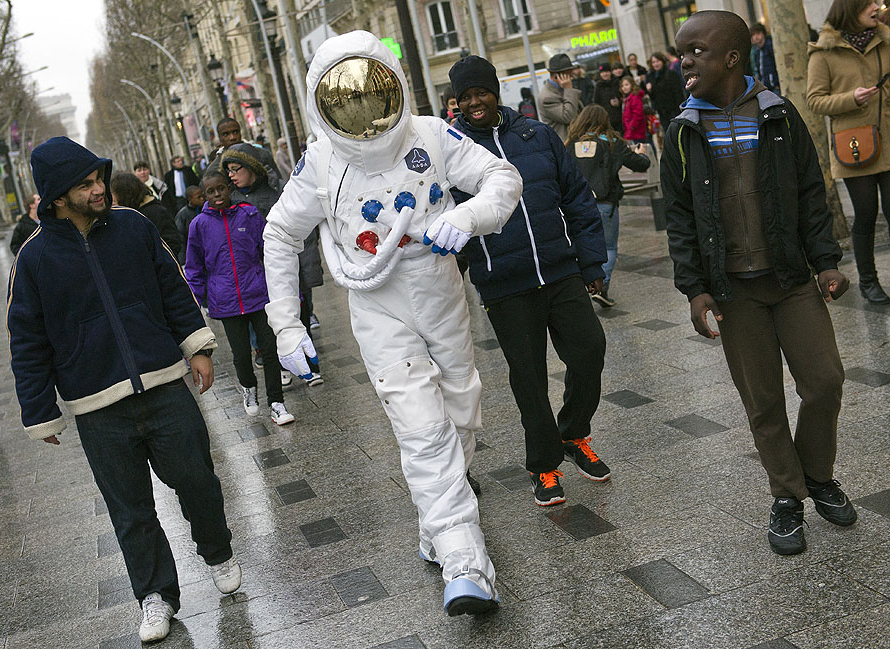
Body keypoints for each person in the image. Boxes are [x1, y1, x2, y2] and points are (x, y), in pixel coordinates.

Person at [262, 32, 523, 616]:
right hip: (375, 300)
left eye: (371, 95)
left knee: (461, 404)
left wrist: (469, 216)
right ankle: (465, 557)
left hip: (438, 285)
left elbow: (502, 179)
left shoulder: (430, 133)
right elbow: (280, 233)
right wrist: (285, 324)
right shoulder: (321, 162)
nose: (362, 115)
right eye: (345, 102)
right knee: (420, 424)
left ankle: (438, 523)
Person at [7, 137, 241, 643]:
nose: (98, 189)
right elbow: (26, 339)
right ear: (56, 196)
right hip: (98, 407)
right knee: (129, 507)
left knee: (196, 478)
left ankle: (217, 550)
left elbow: (173, 287)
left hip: (163, 383)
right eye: (85, 184)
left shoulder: (134, 227)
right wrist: (40, 411)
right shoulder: (33, 259)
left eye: (98, 178)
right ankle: (155, 595)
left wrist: (197, 345)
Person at [664, 11, 856, 556]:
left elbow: (809, 193)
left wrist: (826, 261)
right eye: (682, 53)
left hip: (792, 279)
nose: (686, 62)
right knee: (763, 402)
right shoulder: (683, 130)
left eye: (696, 52)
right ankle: (788, 498)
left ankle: (817, 476)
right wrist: (694, 288)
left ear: (731, 57)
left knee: (825, 382)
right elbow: (678, 216)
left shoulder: (778, 113)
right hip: (732, 291)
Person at [449, 56, 612, 505]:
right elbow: (450, 225)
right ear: (457, 102)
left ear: (495, 91)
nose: (475, 102)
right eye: (466, 97)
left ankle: (573, 433)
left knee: (590, 351)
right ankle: (544, 466)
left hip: (560, 271)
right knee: (529, 378)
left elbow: (577, 197)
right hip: (505, 285)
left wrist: (592, 263)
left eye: (481, 92)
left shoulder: (535, 134)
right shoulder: (454, 150)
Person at [184, 171, 296, 424]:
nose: (217, 195)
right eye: (210, 192)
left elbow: (268, 249)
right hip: (225, 301)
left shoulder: (250, 214)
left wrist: (284, 287)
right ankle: (249, 388)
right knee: (241, 354)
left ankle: (277, 403)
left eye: (221, 189)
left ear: (229, 188)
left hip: (257, 294)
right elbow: (194, 266)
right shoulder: (199, 225)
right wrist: (196, 301)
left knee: (269, 350)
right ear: (205, 195)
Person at [220, 143, 324, 386]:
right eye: (229, 171)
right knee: (267, 327)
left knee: (299, 314)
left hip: (288, 269)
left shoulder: (278, 192)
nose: (232, 175)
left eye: (236, 169)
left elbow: (302, 233)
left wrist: (308, 270)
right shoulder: (231, 201)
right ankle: (282, 366)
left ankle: (310, 364)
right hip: (255, 276)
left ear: (251, 168)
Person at [807, 0, 890, 304]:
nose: (876, 7)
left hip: (889, 137)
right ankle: (869, 282)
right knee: (866, 214)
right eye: (870, 3)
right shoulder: (824, 52)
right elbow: (815, 101)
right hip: (855, 145)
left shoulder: (885, 40)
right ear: (851, 8)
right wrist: (850, 98)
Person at [567, 105, 651, 307]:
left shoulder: (571, 144)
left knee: (579, 246)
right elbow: (640, 164)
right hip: (605, 204)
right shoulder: (613, 143)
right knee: (609, 247)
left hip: (577, 206)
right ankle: (601, 286)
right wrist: (643, 153)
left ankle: (582, 286)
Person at [112, 171, 182, 258]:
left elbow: (173, 244)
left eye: (114, 198)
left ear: (124, 195)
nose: (113, 202)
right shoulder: (129, 214)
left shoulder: (156, 212)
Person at [537, 52, 582, 141]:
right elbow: (569, 117)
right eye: (568, 74)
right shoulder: (547, 97)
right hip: (565, 143)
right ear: (557, 75)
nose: (571, 77)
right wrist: (568, 89)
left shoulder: (563, 88)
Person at [646, 51, 687, 130]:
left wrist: (679, 110)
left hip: (673, 110)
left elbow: (678, 92)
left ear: (662, 61)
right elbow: (653, 97)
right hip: (662, 112)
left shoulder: (670, 73)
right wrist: (649, 90)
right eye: (653, 62)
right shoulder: (651, 76)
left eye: (658, 61)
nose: (656, 64)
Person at [175, 185, 205, 265]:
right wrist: (183, 261)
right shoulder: (183, 215)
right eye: (199, 197)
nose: (202, 199)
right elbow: (180, 238)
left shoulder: (206, 210)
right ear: (189, 199)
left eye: (203, 196)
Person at [619, 75, 650, 148]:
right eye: (622, 86)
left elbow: (637, 114)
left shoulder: (634, 97)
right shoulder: (628, 98)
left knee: (641, 148)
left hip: (637, 130)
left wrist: (631, 127)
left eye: (626, 85)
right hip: (632, 130)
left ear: (632, 85)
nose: (624, 87)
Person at [749, 23, 781, 94]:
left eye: (758, 33)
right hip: (765, 88)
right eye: (753, 35)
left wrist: (777, 84)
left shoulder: (770, 46)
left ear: (763, 33)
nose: (755, 37)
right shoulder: (756, 51)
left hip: (775, 87)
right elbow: (757, 70)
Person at [593, 64, 624, 133]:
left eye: (607, 71)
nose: (605, 74)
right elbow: (596, 102)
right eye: (602, 72)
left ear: (610, 72)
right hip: (606, 120)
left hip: (619, 117)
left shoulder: (617, 82)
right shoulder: (598, 86)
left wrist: (619, 103)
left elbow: (624, 98)